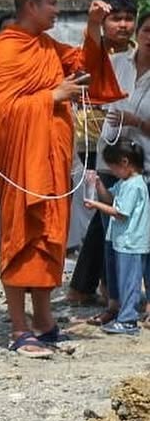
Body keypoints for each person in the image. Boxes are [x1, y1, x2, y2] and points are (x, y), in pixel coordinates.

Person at [0, 0, 122, 356]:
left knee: (50, 240)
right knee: (21, 239)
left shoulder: (47, 46)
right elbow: (0, 112)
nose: (57, 10)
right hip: (22, 164)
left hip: (52, 162)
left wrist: (93, 26)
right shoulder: (6, 50)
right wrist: (52, 95)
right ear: (30, 6)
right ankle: (18, 327)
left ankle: (43, 322)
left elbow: (87, 65)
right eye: (52, 3)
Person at [67, 0, 137, 307]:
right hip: (93, 141)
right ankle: (106, 288)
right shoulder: (92, 54)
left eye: (128, 18)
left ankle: (88, 286)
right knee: (107, 213)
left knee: (108, 214)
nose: (124, 25)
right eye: (116, 18)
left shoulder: (139, 56)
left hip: (130, 140)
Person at [83, 139, 150, 335]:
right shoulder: (125, 182)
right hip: (124, 242)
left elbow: (120, 212)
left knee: (130, 282)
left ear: (125, 162)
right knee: (124, 280)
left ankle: (128, 319)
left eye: (113, 167)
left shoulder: (134, 185)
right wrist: (98, 186)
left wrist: (96, 206)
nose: (112, 172)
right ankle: (125, 315)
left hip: (132, 243)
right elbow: (111, 199)